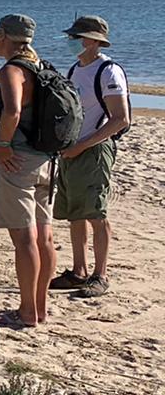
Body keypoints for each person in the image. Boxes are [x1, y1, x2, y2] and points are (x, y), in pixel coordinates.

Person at [52, 15, 130, 298]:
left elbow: (120, 119)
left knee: (96, 212)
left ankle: (100, 274)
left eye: (77, 37)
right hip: (72, 150)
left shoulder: (108, 71)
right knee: (75, 213)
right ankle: (78, 270)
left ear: (92, 41)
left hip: (95, 150)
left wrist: (82, 145)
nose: (72, 42)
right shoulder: (75, 69)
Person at [0, 14, 58, 330]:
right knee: (45, 237)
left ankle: (27, 311)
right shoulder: (41, 67)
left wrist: (2, 144)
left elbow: (13, 110)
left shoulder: (12, 70)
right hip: (47, 161)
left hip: (17, 161)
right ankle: (39, 308)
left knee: (25, 239)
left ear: (5, 36)